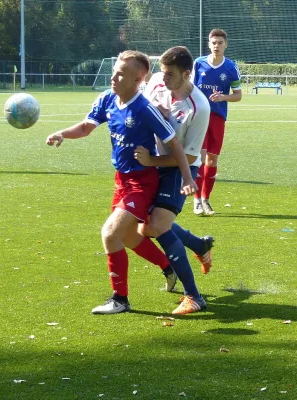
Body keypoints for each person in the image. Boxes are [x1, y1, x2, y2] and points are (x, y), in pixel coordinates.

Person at [46, 50, 196, 315]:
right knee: (126, 236)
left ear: (138, 79)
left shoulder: (144, 109)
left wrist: (187, 178)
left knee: (110, 233)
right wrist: (62, 134)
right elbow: (85, 127)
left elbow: (174, 143)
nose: (113, 77)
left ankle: (120, 299)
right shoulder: (107, 98)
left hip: (142, 182)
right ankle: (167, 266)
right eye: (114, 71)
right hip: (121, 180)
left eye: (121, 74)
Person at [134, 46, 213, 315]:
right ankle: (199, 245)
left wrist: (151, 161)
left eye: (169, 74)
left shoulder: (199, 107)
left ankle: (194, 297)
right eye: (162, 72)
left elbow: (189, 157)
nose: (162, 79)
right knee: (146, 228)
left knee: (157, 225)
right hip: (152, 162)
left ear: (186, 74)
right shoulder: (157, 82)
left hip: (178, 168)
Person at [192, 28, 242, 216]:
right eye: (214, 43)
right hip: (198, 118)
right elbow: (189, 88)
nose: (217, 46)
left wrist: (223, 97)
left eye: (220, 43)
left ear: (225, 45)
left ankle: (206, 199)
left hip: (218, 118)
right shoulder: (198, 64)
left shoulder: (231, 67)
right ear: (209, 44)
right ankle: (196, 201)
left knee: (212, 160)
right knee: (200, 157)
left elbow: (238, 96)